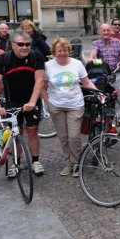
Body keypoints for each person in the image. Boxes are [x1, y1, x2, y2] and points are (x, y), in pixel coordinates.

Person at [0, 30, 46, 176]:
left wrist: (33, 101)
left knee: (33, 132)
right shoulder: (3, 59)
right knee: (15, 134)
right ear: (12, 45)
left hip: (31, 101)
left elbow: (39, 80)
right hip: (12, 101)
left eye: (28, 44)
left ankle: (35, 161)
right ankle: (16, 163)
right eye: (21, 44)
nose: (25, 47)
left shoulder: (37, 57)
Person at [44, 38, 97, 177]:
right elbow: (41, 87)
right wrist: (48, 102)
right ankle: (69, 164)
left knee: (74, 136)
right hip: (56, 106)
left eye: (65, 50)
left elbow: (86, 82)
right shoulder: (48, 66)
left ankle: (77, 163)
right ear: (54, 52)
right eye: (59, 51)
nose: (62, 53)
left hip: (75, 104)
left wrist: (99, 93)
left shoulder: (77, 64)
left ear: (69, 51)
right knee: (64, 137)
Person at [87, 23, 120, 113]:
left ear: (110, 31)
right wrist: (91, 58)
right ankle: (104, 117)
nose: (106, 32)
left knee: (119, 96)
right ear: (100, 32)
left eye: (108, 30)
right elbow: (94, 51)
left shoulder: (116, 42)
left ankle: (119, 118)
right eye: (104, 30)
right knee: (102, 96)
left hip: (116, 73)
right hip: (103, 75)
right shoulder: (96, 43)